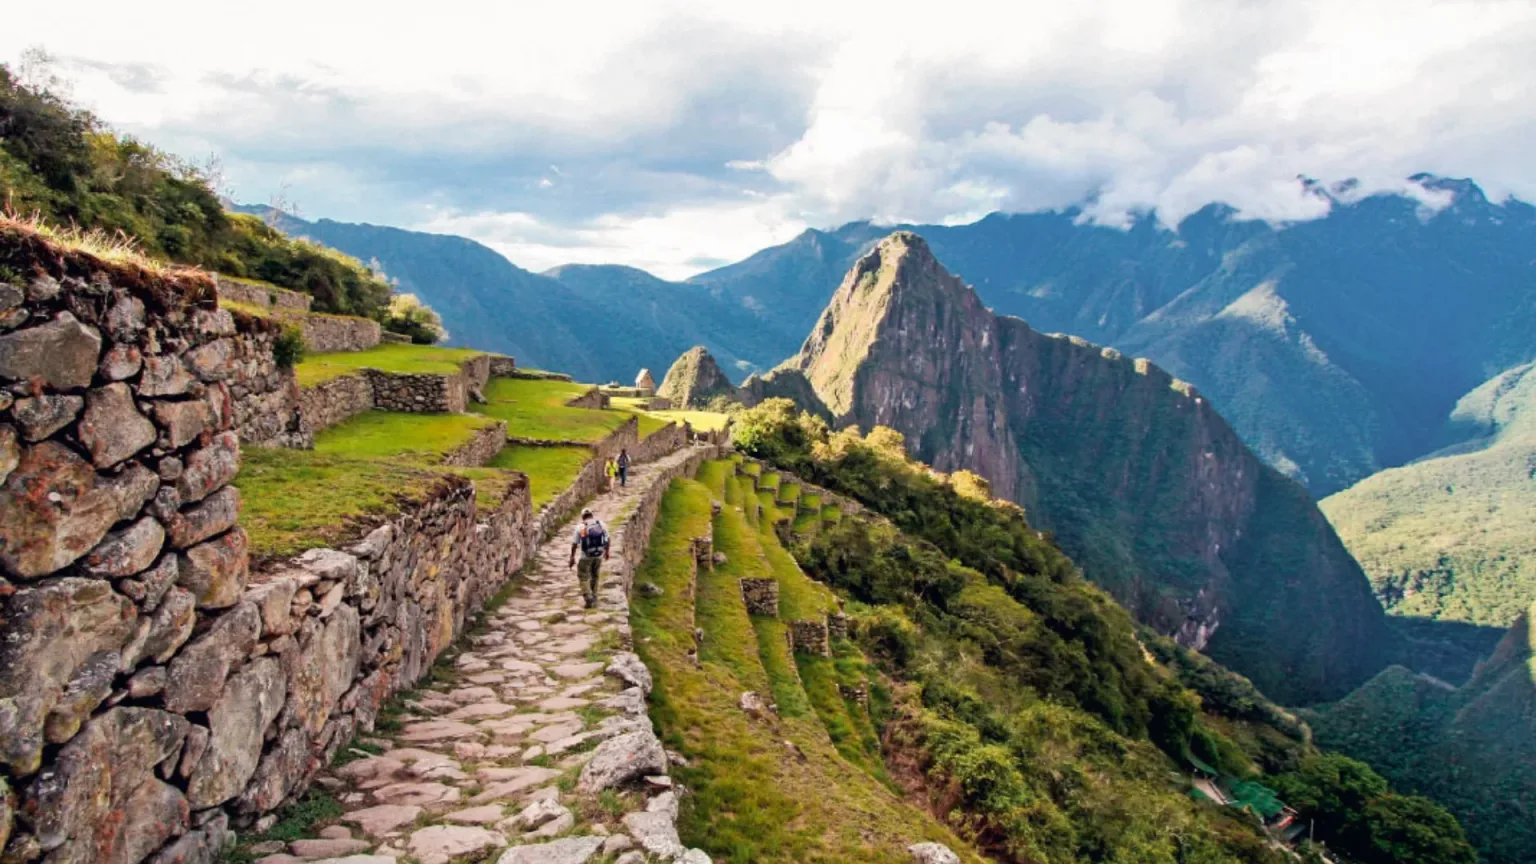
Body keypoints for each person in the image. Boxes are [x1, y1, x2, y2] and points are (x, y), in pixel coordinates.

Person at [570, 508, 610, 608]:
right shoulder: (601, 524)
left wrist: (572, 557)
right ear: (592, 515)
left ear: (582, 517)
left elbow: (575, 544)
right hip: (598, 555)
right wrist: (607, 552)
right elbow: (608, 539)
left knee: (583, 576)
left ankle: (588, 596)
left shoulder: (580, 527)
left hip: (585, 557)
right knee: (595, 575)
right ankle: (594, 596)